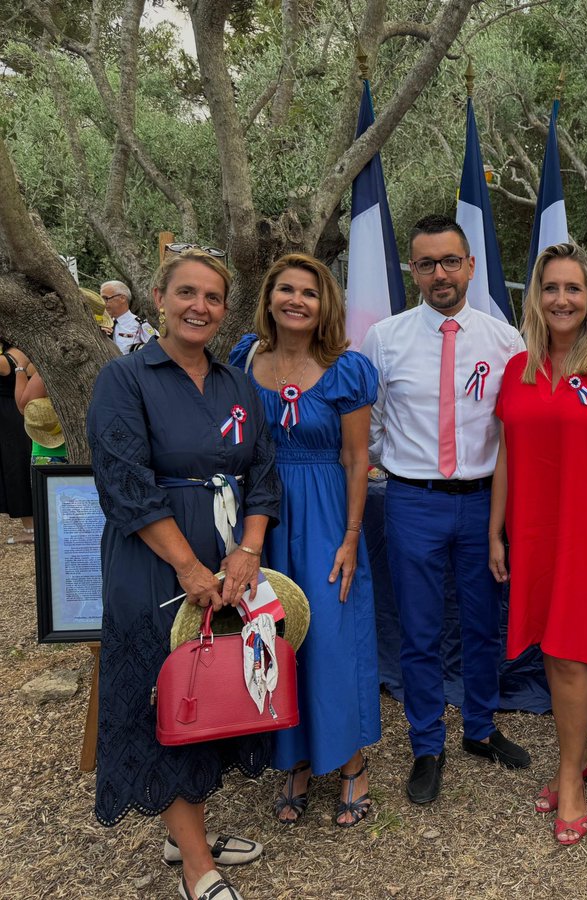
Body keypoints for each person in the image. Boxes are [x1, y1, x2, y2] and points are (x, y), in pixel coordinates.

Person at [86, 248, 281, 900]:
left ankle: (186, 831)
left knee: (212, 687)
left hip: (228, 558)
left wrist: (248, 550)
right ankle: (197, 866)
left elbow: (263, 473)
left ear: (225, 309)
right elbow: (126, 485)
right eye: (187, 293)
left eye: (213, 297)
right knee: (165, 690)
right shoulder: (125, 379)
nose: (200, 307)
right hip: (155, 562)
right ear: (160, 298)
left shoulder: (236, 383)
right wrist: (190, 567)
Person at [361, 214, 530, 807]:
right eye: (427, 263)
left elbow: (514, 428)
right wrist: (394, 465)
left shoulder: (505, 341)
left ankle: (479, 728)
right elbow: (371, 424)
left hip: (484, 503)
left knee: (483, 623)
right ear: (413, 270)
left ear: (470, 266)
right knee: (420, 628)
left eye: (450, 261)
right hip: (413, 500)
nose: (440, 274)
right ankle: (427, 744)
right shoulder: (385, 338)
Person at [488, 243, 587, 846]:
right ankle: (578, 758)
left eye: (572, 288)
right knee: (551, 654)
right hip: (533, 534)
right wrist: (495, 530)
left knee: (571, 654)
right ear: (536, 297)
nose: (561, 299)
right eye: (550, 288)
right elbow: (507, 455)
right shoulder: (518, 368)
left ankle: (572, 779)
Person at [229, 253, 381, 828]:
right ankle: (292, 758)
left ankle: (350, 761)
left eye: (309, 293)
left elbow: (357, 457)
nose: (297, 300)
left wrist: (350, 536)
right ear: (269, 298)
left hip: (325, 513)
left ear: (325, 305)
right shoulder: (245, 357)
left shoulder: (346, 368)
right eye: (286, 289)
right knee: (273, 632)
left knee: (331, 636)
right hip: (262, 517)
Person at [0, 340, 34, 543]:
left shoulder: (7, 360)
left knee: (16, 469)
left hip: (9, 418)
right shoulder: (29, 353)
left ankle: (30, 529)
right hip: (23, 415)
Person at [102, 280, 159, 354]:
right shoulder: (103, 325)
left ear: (122, 298)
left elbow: (158, 349)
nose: (102, 303)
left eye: (106, 298)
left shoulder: (139, 325)